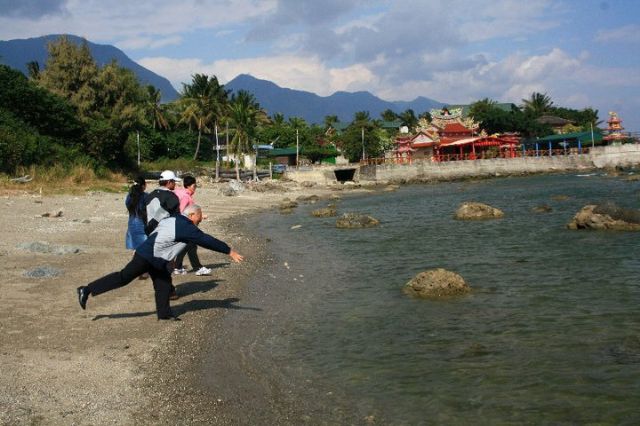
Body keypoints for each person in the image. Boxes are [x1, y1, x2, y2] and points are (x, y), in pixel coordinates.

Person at [76, 204, 244, 320]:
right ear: (192, 215)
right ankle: (87, 289)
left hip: (157, 258)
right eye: (199, 217)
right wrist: (229, 251)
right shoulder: (186, 227)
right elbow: (205, 239)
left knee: (163, 283)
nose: (201, 220)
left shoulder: (176, 219)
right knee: (124, 277)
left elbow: (155, 230)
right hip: (147, 256)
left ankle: (164, 314)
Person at [173, 175, 210, 276]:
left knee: (189, 246)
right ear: (189, 186)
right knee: (190, 245)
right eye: (194, 186)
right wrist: (200, 217)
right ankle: (196, 267)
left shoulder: (182, 193)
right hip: (186, 225)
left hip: (184, 225)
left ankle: (178, 267)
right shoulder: (186, 196)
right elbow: (181, 211)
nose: (195, 188)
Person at [125, 176, 149, 279]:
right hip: (142, 224)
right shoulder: (145, 196)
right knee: (145, 249)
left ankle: (137, 270)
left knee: (136, 249)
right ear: (144, 185)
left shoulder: (129, 197)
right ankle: (142, 271)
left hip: (131, 224)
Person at [145, 170, 181, 236]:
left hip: (150, 232)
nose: (175, 184)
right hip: (166, 233)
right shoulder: (171, 197)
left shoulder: (150, 195)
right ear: (169, 182)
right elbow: (176, 217)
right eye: (174, 181)